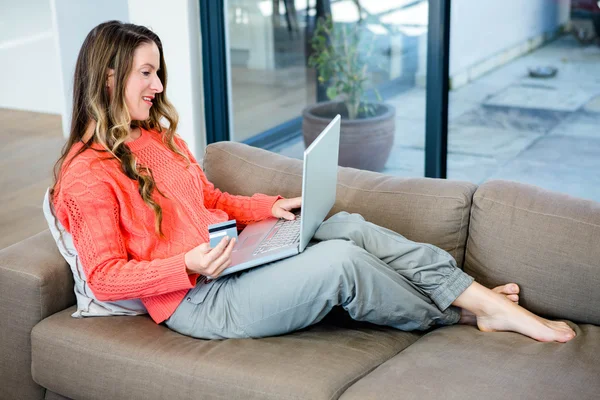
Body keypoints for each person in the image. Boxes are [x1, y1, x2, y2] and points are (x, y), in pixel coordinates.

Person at [51, 20, 576, 343]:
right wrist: (181, 264)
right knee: (340, 263)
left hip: (231, 260)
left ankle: (474, 294)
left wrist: (267, 209)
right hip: (198, 301)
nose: (159, 85)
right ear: (109, 77)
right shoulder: (87, 174)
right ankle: (466, 313)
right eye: (147, 73)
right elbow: (104, 277)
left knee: (346, 225)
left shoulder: (155, 138)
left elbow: (206, 197)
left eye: (158, 72)